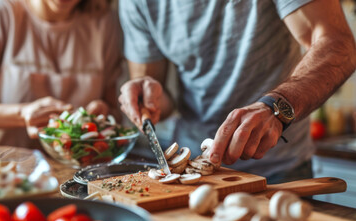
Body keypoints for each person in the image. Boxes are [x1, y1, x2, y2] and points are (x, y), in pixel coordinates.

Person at [118, 0, 356, 183]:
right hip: (193, 173)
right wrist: (146, 96)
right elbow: (158, 101)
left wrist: (277, 105)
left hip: (279, 173)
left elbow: (337, 44)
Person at [0, 0, 123, 151]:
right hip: (4, 171)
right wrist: (22, 114)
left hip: (78, 174)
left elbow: (114, 114)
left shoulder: (105, 21)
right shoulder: (4, 11)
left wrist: (102, 115)